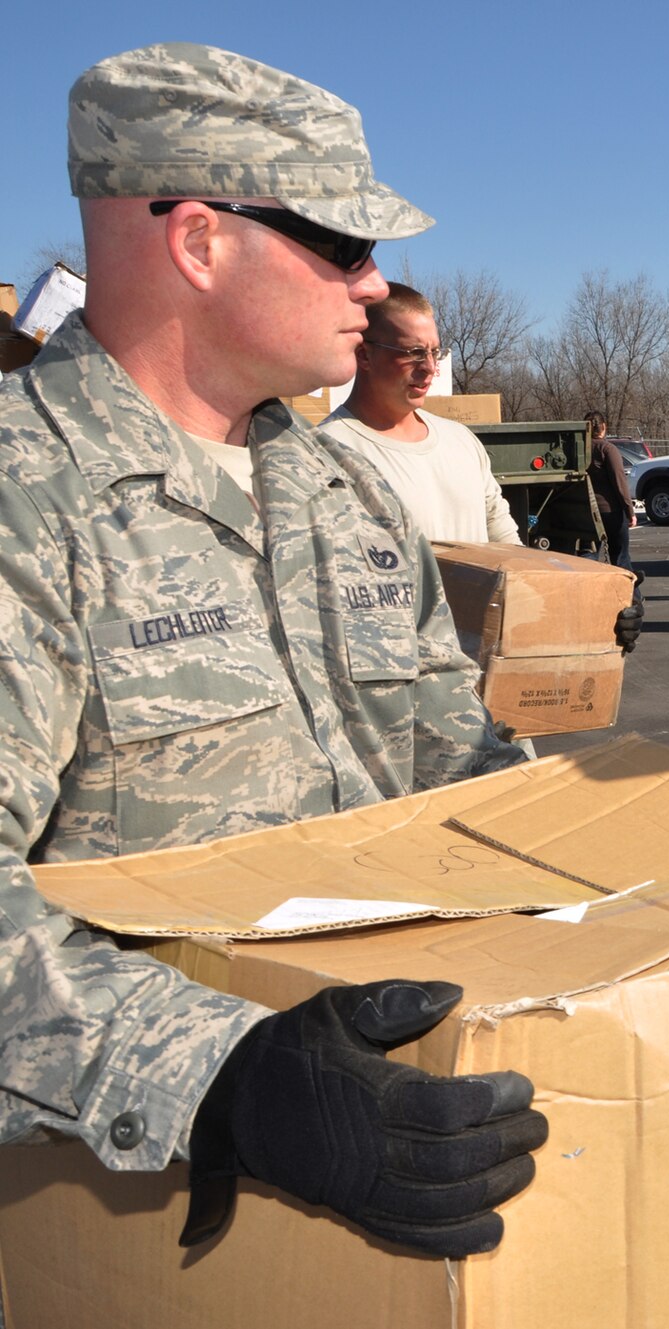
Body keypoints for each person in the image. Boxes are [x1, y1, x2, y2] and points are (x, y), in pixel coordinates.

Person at [0, 44, 546, 1259]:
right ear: (199, 241)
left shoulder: (346, 494)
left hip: (409, 1123)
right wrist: (224, 1076)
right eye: (344, 245)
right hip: (123, 1196)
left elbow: (453, 754)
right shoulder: (24, 503)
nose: (374, 286)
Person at [319, 282, 520, 544]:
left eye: (433, 351)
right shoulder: (328, 452)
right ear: (364, 355)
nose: (429, 366)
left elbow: (505, 540)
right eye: (413, 353)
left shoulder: (461, 440)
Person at [582, 408, 638, 570]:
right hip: (610, 511)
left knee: (588, 554)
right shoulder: (607, 449)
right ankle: (631, 593)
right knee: (621, 557)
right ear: (604, 427)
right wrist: (630, 512)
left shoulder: (578, 451)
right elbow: (619, 482)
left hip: (585, 511)